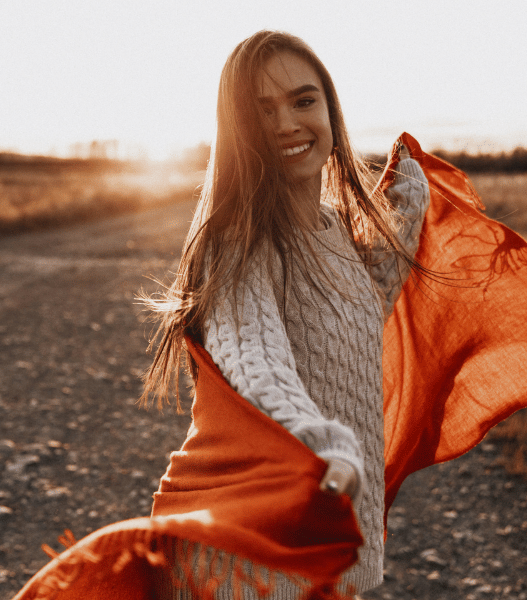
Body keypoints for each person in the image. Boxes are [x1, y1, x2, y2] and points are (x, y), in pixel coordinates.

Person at [140, 30, 430, 598]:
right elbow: (258, 365)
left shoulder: (334, 231)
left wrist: (407, 216)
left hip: (326, 533)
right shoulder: (238, 241)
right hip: (247, 554)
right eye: (262, 110)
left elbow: (358, 320)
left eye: (303, 101)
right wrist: (320, 442)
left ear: (329, 108)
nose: (287, 124)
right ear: (239, 129)